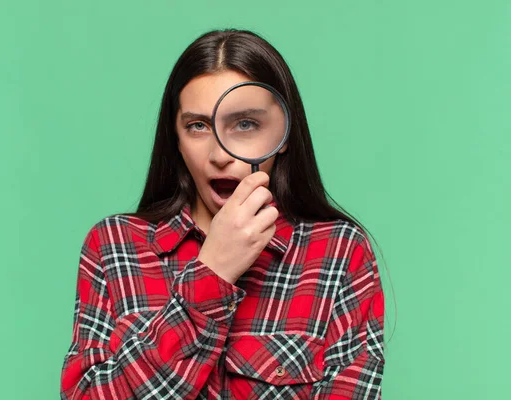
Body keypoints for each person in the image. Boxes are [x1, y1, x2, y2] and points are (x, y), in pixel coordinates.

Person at [60, 29, 385, 400]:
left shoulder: (340, 252)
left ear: (284, 137)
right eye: (197, 126)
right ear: (176, 141)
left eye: (245, 124)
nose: (219, 154)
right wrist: (211, 274)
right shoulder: (114, 245)